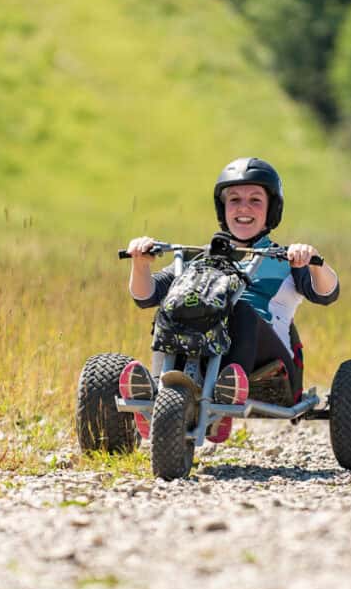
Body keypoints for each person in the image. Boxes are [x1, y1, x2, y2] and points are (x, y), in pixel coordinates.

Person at [120, 157, 339, 441]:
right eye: (234, 199)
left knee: (239, 309)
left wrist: (314, 264)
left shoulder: (286, 260)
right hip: (201, 351)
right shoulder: (199, 260)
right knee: (173, 306)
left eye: (255, 200)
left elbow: (327, 293)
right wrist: (140, 263)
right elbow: (146, 295)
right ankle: (158, 390)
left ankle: (224, 394)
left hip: (269, 363)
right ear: (223, 209)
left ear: (272, 209)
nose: (243, 207)